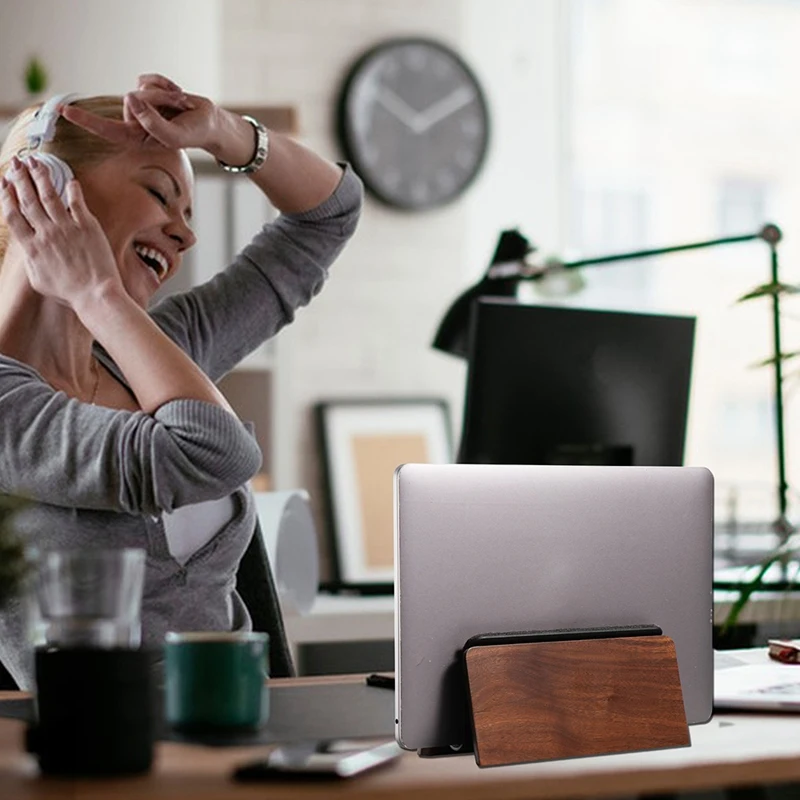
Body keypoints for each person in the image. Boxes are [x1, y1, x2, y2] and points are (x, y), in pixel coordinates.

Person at [0, 73, 363, 689]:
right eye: (160, 193)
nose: (186, 234)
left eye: (188, 213)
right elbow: (212, 450)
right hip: (105, 751)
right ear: (51, 190)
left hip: (240, 733)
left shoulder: (147, 352)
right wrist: (97, 293)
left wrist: (225, 132)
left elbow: (327, 216)